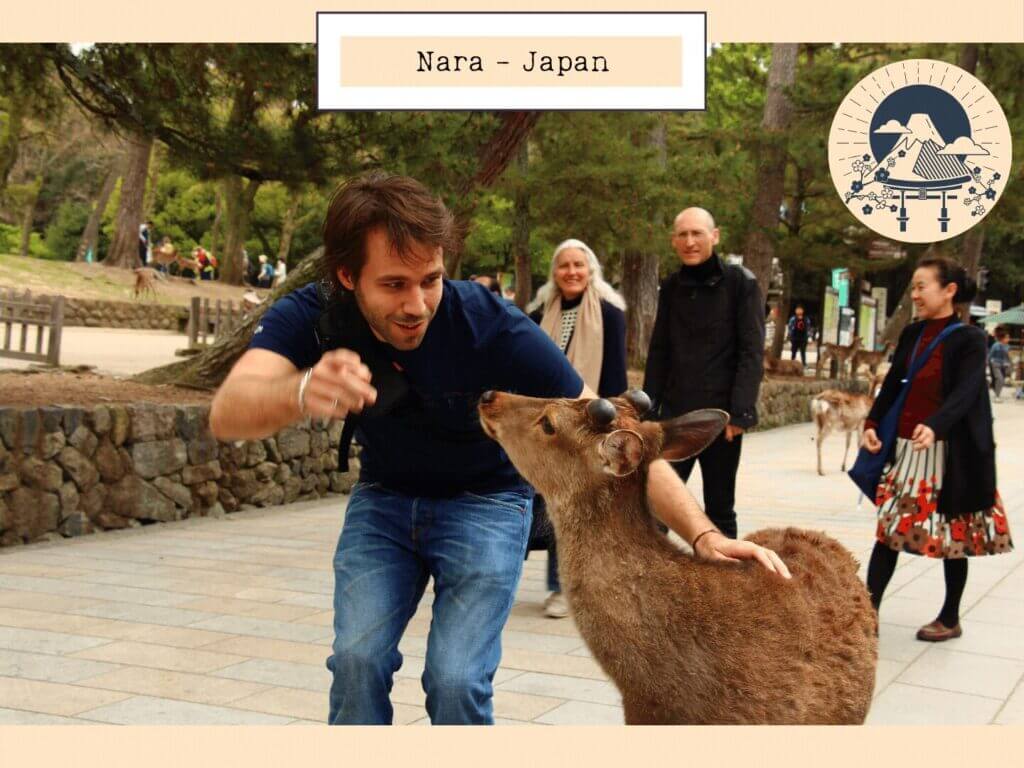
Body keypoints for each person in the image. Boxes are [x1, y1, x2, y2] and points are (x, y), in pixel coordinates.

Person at [209, 173, 789, 726]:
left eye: (430, 279)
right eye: (393, 284)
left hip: (485, 504)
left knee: (457, 680)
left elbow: (607, 440)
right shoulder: (313, 315)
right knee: (358, 663)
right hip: (384, 502)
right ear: (346, 276)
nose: (417, 304)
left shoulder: (487, 321)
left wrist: (704, 534)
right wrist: (302, 389)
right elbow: (228, 410)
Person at [861, 256, 1013, 642]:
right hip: (909, 449)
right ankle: (866, 613)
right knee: (889, 530)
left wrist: (936, 424)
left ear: (949, 291)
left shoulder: (971, 339)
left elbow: (966, 392)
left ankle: (950, 617)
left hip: (951, 453)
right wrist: (873, 423)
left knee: (952, 538)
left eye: (921, 286)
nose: (914, 294)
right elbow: (895, 382)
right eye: (912, 287)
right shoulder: (913, 334)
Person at [644, 207, 765, 540]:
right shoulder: (670, 287)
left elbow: (751, 352)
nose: (690, 241)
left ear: (715, 236)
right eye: (682, 234)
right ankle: (650, 587)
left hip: (721, 420)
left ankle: (727, 588)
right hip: (674, 419)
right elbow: (659, 351)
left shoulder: (741, 284)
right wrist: (648, 410)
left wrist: (739, 414)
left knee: (720, 509)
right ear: (673, 241)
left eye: (697, 233)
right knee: (656, 508)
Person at [526, 239, 627, 618]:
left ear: (591, 271)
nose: (571, 272)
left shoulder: (610, 313)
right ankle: (559, 588)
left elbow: (615, 373)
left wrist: (611, 425)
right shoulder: (539, 312)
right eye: (563, 265)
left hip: (590, 422)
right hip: (548, 425)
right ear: (554, 271)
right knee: (556, 505)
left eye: (578, 265)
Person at [988, 327, 1011, 402]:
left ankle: (997, 392)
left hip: (1004, 366)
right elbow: (990, 355)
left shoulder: (1008, 346)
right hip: (995, 364)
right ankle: (997, 396)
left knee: (1001, 380)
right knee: (1000, 379)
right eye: (1007, 338)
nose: (1008, 339)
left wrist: (1009, 364)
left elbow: (1007, 357)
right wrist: (988, 363)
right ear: (1002, 338)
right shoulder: (996, 345)